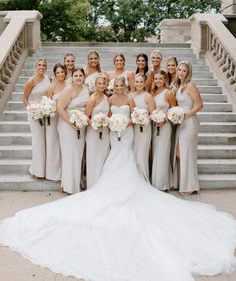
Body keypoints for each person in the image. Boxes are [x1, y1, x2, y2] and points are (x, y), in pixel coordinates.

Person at [0, 69, 236, 281]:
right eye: (118, 86)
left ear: (126, 86)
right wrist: (108, 122)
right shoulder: (107, 98)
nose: (121, 88)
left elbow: (134, 115)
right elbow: (94, 115)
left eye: (123, 86)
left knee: (128, 163)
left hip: (128, 136)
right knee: (112, 165)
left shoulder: (132, 98)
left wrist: (134, 120)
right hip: (112, 135)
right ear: (114, 87)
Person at [173, 60, 203, 196]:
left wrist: (185, 116)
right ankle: (187, 183)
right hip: (181, 123)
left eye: (184, 71)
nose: (181, 72)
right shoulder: (180, 85)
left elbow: (199, 104)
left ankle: (190, 186)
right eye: (179, 70)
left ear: (188, 72)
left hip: (189, 123)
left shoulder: (190, 85)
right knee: (180, 153)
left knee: (187, 153)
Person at [57, 68, 89, 194]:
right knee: (69, 154)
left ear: (84, 77)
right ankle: (68, 186)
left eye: (81, 75)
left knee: (78, 154)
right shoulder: (69, 89)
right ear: (72, 77)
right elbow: (59, 107)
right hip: (67, 125)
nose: (78, 78)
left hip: (81, 125)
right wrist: (70, 122)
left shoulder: (86, 89)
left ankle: (75, 182)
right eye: (76, 75)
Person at [22, 58, 50, 179]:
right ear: (35, 66)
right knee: (38, 142)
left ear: (46, 67)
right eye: (39, 65)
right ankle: (37, 171)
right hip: (34, 113)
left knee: (45, 141)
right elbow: (25, 98)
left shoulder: (48, 79)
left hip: (46, 112)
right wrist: (31, 108)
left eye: (44, 65)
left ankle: (45, 169)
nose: (41, 67)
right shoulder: (31, 81)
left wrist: (47, 107)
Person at [151, 70, 176, 191]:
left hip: (165, 127)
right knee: (156, 153)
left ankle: (162, 184)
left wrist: (164, 120)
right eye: (156, 79)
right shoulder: (153, 92)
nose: (158, 81)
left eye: (160, 79)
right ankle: (157, 181)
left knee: (162, 153)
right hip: (154, 127)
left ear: (165, 79)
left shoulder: (168, 93)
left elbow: (174, 111)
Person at [85, 73, 110, 188]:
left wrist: (106, 121)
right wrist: (95, 124)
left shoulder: (106, 98)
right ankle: (92, 185)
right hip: (93, 132)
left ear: (106, 85)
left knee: (103, 157)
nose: (101, 85)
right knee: (93, 157)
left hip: (105, 133)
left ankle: (102, 185)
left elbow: (109, 115)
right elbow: (86, 117)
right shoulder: (92, 99)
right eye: (99, 83)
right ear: (95, 85)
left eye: (103, 83)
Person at [129, 73, 155, 181]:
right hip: (133, 129)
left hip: (145, 128)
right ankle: (135, 179)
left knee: (142, 155)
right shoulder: (130, 96)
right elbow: (130, 112)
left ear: (144, 83)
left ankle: (143, 179)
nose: (139, 84)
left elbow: (152, 114)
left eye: (141, 82)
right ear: (134, 83)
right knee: (134, 153)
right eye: (137, 82)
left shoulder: (148, 96)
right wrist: (135, 118)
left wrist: (144, 119)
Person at [45, 63, 66, 181]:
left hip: (64, 118)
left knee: (63, 144)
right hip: (53, 118)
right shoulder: (51, 88)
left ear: (65, 72)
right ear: (55, 74)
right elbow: (47, 103)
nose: (60, 74)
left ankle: (64, 172)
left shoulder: (69, 85)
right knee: (53, 144)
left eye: (62, 72)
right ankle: (53, 173)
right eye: (58, 73)